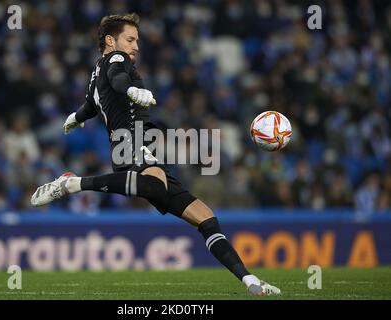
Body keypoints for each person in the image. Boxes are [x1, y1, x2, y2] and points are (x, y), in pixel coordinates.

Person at [31, 13, 280, 296]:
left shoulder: (94, 73)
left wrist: (75, 117)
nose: (136, 45)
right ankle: (72, 183)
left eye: (137, 40)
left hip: (137, 148)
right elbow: (118, 79)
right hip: (131, 144)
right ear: (111, 41)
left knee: (206, 219)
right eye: (130, 39)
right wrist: (133, 90)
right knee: (154, 185)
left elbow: (91, 103)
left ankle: (250, 282)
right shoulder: (115, 60)